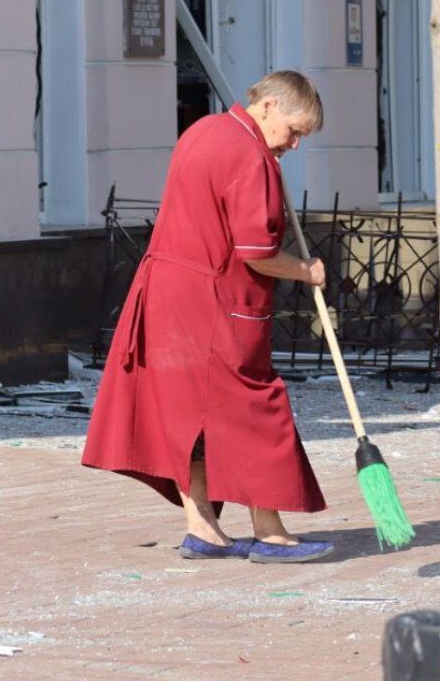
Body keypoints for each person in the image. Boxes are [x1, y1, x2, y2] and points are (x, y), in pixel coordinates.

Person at [81, 71, 333, 564]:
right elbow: (256, 251)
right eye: (295, 130)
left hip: (167, 295)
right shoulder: (251, 155)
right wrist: (306, 270)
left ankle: (202, 528)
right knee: (256, 408)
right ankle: (270, 533)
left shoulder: (202, 130)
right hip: (217, 304)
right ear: (269, 108)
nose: (296, 144)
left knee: (192, 416)